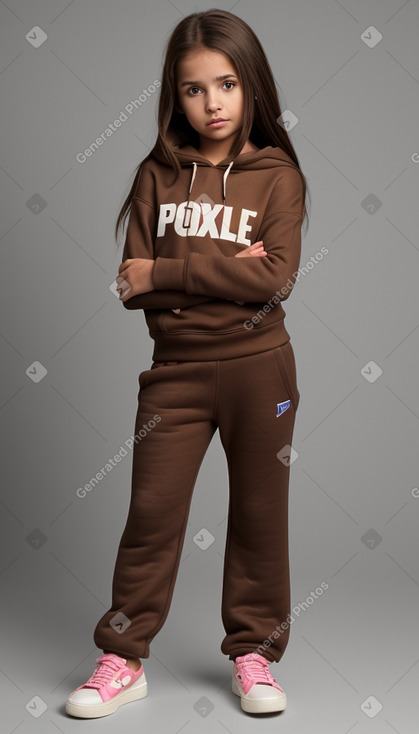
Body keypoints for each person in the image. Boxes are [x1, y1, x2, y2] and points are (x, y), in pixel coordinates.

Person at [65, 7, 310, 719]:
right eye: (193, 89)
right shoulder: (157, 174)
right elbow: (129, 287)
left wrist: (170, 269)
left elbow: (274, 281)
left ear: (251, 87)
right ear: (174, 96)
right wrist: (221, 269)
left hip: (261, 369)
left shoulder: (277, 177)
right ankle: (123, 656)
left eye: (226, 84)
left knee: (261, 516)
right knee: (151, 513)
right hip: (173, 375)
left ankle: (254, 656)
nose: (212, 104)